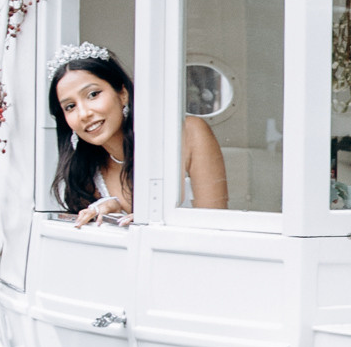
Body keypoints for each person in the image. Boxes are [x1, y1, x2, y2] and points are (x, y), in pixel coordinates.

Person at [49, 45, 226, 219]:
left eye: (93, 94)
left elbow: (215, 225)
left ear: (123, 94)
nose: (84, 114)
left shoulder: (188, 134)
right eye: (70, 106)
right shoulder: (84, 171)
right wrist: (113, 211)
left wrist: (153, 223)